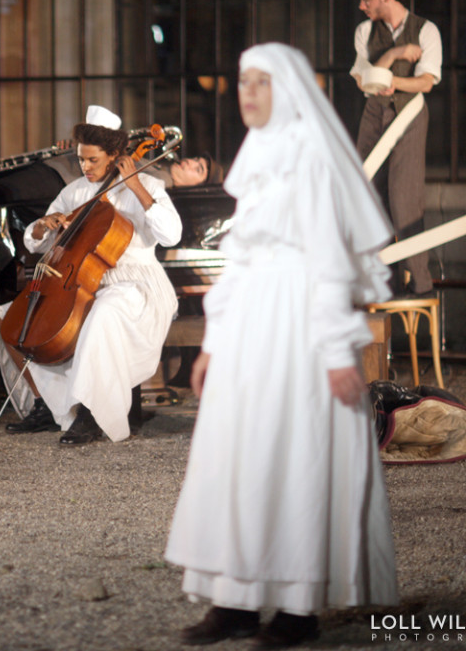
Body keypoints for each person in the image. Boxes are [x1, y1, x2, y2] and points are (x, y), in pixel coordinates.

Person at [165, 43, 398, 647]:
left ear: (288, 90)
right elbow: (240, 257)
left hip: (298, 326)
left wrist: (336, 350)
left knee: (295, 458)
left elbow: (326, 262)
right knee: (239, 457)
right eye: (243, 81)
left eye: (261, 82)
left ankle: (297, 607)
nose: (248, 92)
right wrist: (214, 342)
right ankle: (237, 601)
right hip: (250, 326)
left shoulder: (311, 158)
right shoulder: (259, 152)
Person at [0, 106, 182, 445]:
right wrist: (41, 227)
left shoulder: (148, 183)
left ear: (115, 157)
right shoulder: (76, 191)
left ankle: (91, 414)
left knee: (103, 314)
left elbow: (172, 235)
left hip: (135, 284)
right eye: (81, 159)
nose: (86, 167)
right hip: (81, 280)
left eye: (93, 160)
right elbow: (35, 243)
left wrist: (136, 185)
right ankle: (47, 406)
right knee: (8, 318)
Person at [0, 147, 222, 314]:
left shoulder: (155, 184)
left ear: (197, 186)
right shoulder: (148, 158)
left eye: (199, 169)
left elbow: (168, 231)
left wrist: (132, 181)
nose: (190, 162)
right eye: (196, 158)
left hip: (64, 182)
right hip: (64, 169)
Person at [350, 0, 442, 295]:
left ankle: (420, 283)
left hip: (408, 116)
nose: (362, 5)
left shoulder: (426, 29)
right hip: (375, 115)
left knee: (404, 198)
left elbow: (426, 82)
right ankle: (380, 281)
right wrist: (399, 53)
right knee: (368, 194)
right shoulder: (365, 31)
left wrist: (392, 81)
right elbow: (364, 79)